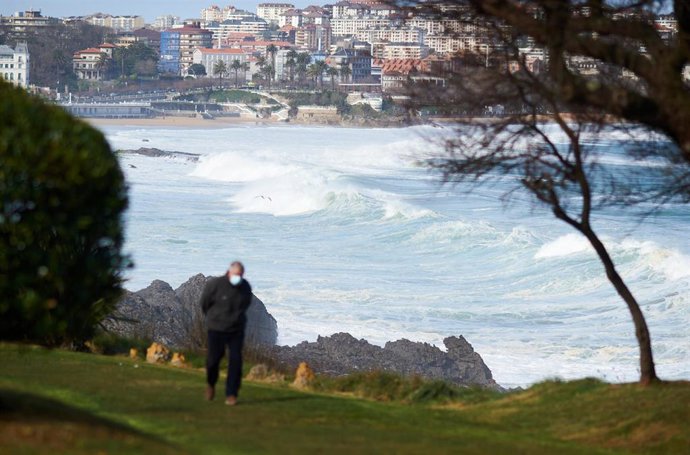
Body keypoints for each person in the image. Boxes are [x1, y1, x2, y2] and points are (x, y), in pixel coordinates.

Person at [200, 261, 253, 406]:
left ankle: (231, 394)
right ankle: (211, 384)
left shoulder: (245, 287)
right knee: (213, 360)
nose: (238, 277)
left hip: (236, 330)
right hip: (216, 328)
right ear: (229, 272)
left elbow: (246, 303)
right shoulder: (216, 284)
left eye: (240, 275)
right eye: (236, 275)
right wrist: (213, 317)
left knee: (236, 360)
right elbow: (204, 303)